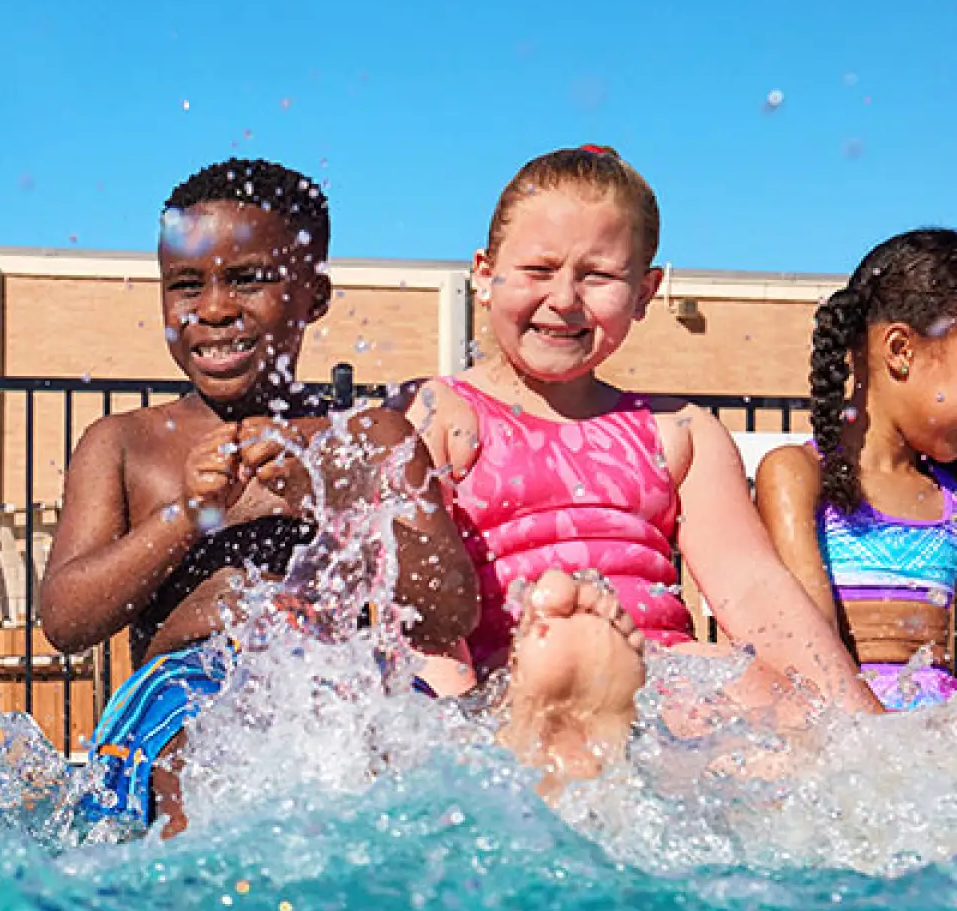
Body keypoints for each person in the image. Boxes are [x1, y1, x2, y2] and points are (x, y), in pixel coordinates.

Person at [404, 144, 879, 787]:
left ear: (645, 292)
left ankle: (598, 713)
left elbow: (757, 593)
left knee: (771, 692)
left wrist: (864, 731)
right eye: (539, 268)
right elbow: (421, 605)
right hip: (512, 684)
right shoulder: (442, 415)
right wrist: (451, 723)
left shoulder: (678, 432)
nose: (565, 298)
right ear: (485, 275)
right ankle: (567, 701)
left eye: (598, 276)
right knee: (545, 677)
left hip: (662, 693)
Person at [39, 159, 478, 835]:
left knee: (408, 759)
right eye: (186, 285)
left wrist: (330, 498)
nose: (213, 308)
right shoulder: (123, 443)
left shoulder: (368, 437)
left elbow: (450, 609)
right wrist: (186, 517)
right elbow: (66, 620)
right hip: (182, 692)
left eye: (247, 279)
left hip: (343, 674)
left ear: (314, 295)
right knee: (202, 754)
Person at [754, 229, 957, 711]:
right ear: (901, 350)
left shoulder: (950, 497)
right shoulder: (798, 476)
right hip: (854, 737)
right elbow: (814, 659)